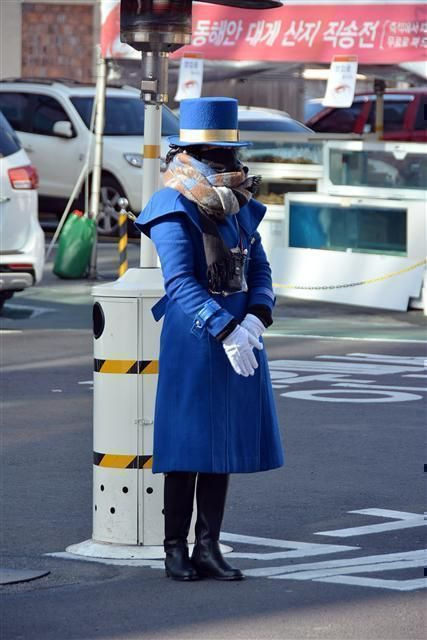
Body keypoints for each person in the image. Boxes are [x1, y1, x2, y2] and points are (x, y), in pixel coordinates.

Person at [135, 97, 284, 582]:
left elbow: (259, 269)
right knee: (188, 444)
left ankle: (209, 547)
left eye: (230, 154)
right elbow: (179, 281)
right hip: (196, 337)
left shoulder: (238, 201)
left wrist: (257, 320)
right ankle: (174, 548)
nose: (228, 165)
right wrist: (223, 329)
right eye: (216, 155)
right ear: (193, 153)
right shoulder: (173, 202)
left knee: (221, 444)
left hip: (242, 333)